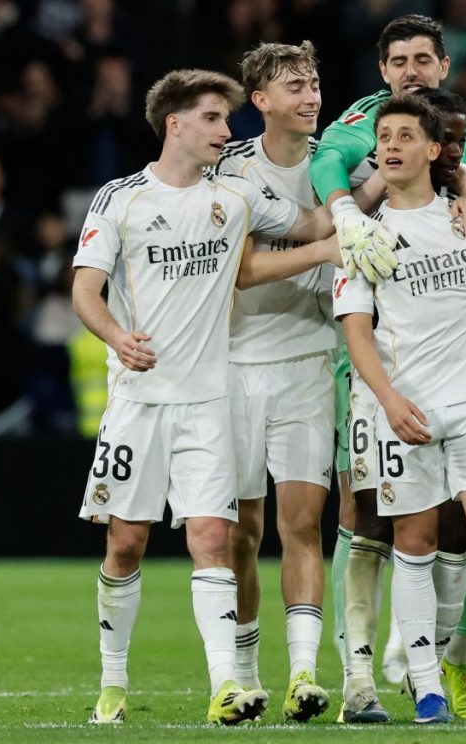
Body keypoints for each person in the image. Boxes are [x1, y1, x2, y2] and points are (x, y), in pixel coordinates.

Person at [72, 68, 356, 727]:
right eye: (212, 119)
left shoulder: (235, 196)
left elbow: (310, 222)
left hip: (207, 400)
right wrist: (117, 336)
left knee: (212, 535)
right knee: (126, 545)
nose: (226, 133)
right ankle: (113, 684)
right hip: (138, 401)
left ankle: (227, 685)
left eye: (227, 120)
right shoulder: (121, 199)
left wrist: (356, 200)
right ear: (175, 123)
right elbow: (85, 289)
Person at [310, 13, 466, 723]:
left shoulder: (464, 136)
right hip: (374, 359)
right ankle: (357, 678)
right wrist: (348, 212)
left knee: (462, 527)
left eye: (423, 59)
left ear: (444, 67)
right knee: (365, 516)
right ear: (382, 71)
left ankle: (441, 667)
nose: (410, 70)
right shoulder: (358, 125)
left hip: (461, 366)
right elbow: (328, 169)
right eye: (398, 60)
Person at [213, 41, 336, 722]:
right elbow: (240, 267)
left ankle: (304, 674)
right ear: (260, 100)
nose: (310, 96)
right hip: (233, 362)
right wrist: (325, 246)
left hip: (309, 359)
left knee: (302, 523)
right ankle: (243, 672)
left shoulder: (339, 163)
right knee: (238, 530)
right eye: (295, 86)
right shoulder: (230, 169)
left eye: (314, 84)